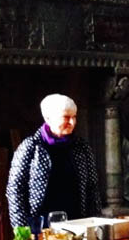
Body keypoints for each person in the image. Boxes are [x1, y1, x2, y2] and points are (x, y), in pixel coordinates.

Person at [6, 94, 101, 229]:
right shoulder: (31, 146)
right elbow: (15, 189)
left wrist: (96, 224)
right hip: (41, 226)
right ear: (48, 118)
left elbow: (92, 188)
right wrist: (22, 229)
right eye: (66, 117)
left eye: (74, 117)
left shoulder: (81, 147)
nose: (72, 122)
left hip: (78, 224)